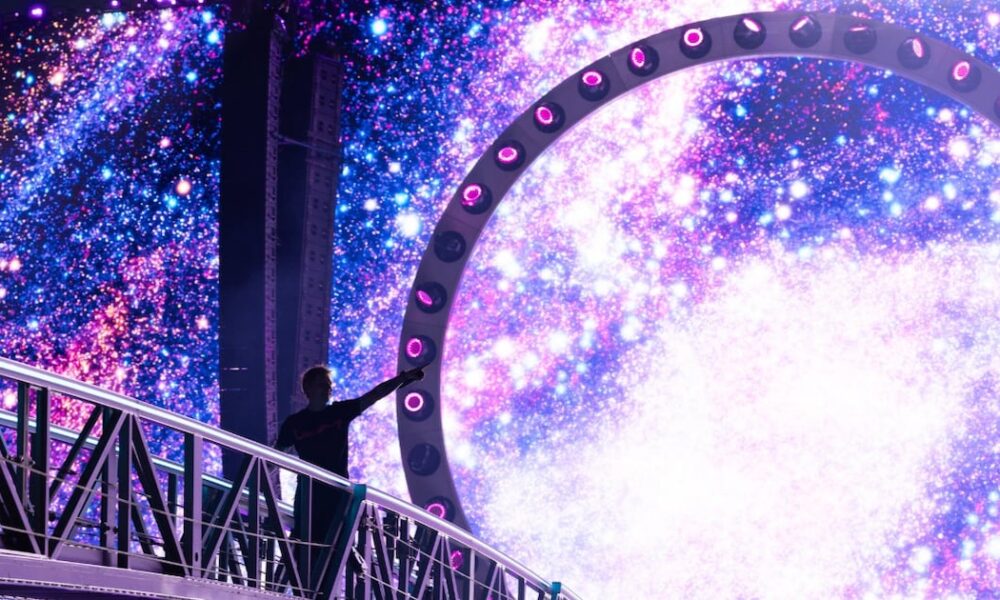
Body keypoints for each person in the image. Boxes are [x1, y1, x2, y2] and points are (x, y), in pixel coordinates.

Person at [274, 365, 424, 572]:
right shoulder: (295, 424)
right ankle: (326, 572)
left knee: (331, 539)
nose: (327, 389)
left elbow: (374, 395)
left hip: (336, 492)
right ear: (308, 389)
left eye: (329, 386)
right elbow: (275, 456)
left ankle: (347, 563)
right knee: (305, 542)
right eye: (322, 385)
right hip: (309, 495)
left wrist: (402, 379)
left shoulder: (339, 412)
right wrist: (254, 481)